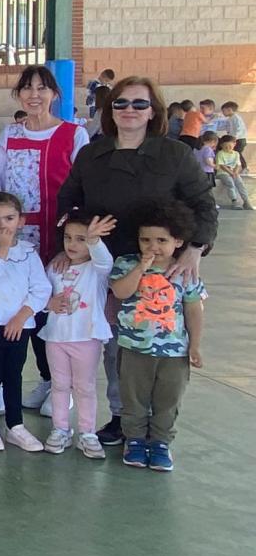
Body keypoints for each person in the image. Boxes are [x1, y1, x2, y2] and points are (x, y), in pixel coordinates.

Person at [56, 75, 218, 445]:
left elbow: (204, 206)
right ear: (109, 110)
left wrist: (194, 248)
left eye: (139, 103)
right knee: (117, 347)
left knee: (159, 351)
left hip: (160, 269)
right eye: (121, 103)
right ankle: (122, 417)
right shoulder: (92, 155)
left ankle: (157, 429)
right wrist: (81, 233)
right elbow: (69, 201)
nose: (129, 110)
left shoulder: (174, 155)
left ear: (153, 111)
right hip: (108, 265)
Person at [1, 66, 88, 414]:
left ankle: (57, 384)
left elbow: (83, 188)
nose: (34, 94)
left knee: (56, 312)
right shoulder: (7, 135)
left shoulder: (73, 134)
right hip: (17, 241)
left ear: (55, 94)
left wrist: (76, 243)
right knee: (21, 309)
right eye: (27, 88)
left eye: (42, 88)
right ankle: (25, 380)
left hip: (58, 239)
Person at [110, 199, 205, 473]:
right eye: (146, 240)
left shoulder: (184, 271)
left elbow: (194, 309)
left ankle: (161, 442)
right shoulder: (126, 264)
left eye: (161, 240)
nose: (153, 247)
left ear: (178, 241)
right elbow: (120, 292)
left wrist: (195, 345)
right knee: (133, 397)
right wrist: (140, 268)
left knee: (168, 398)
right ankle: (135, 440)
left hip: (174, 351)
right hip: (134, 348)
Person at [0, 191, 51, 453]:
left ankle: (15, 426)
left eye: (9, 218)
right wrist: (2, 249)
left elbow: (40, 289)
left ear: (21, 221)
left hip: (19, 325)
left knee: (13, 375)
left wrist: (22, 316)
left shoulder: (28, 252)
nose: (3, 225)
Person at [37, 211, 116, 459]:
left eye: (80, 239)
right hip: (56, 338)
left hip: (86, 338)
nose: (72, 244)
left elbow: (105, 261)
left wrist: (94, 240)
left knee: (85, 387)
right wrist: (49, 303)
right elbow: (40, 294)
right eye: (68, 238)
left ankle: (87, 432)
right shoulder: (55, 267)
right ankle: (60, 429)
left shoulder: (97, 270)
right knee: (60, 385)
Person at [215, 135, 252, 208]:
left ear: (234, 144)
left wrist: (235, 172)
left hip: (233, 173)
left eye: (230, 146)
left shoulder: (236, 154)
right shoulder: (220, 153)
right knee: (230, 182)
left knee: (240, 183)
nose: (228, 148)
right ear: (221, 145)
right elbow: (222, 165)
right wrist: (231, 173)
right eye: (225, 146)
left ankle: (246, 201)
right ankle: (234, 201)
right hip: (222, 173)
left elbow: (238, 164)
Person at [220, 100, 247, 172]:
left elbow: (239, 129)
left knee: (237, 153)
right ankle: (238, 167)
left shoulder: (236, 118)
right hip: (233, 139)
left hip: (239, 139)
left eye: (223, 111)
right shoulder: (230, 119)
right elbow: (227, 128)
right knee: (235, 153)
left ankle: (244, 167)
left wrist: (235, 137)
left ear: (229, 110)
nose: (223, 113)